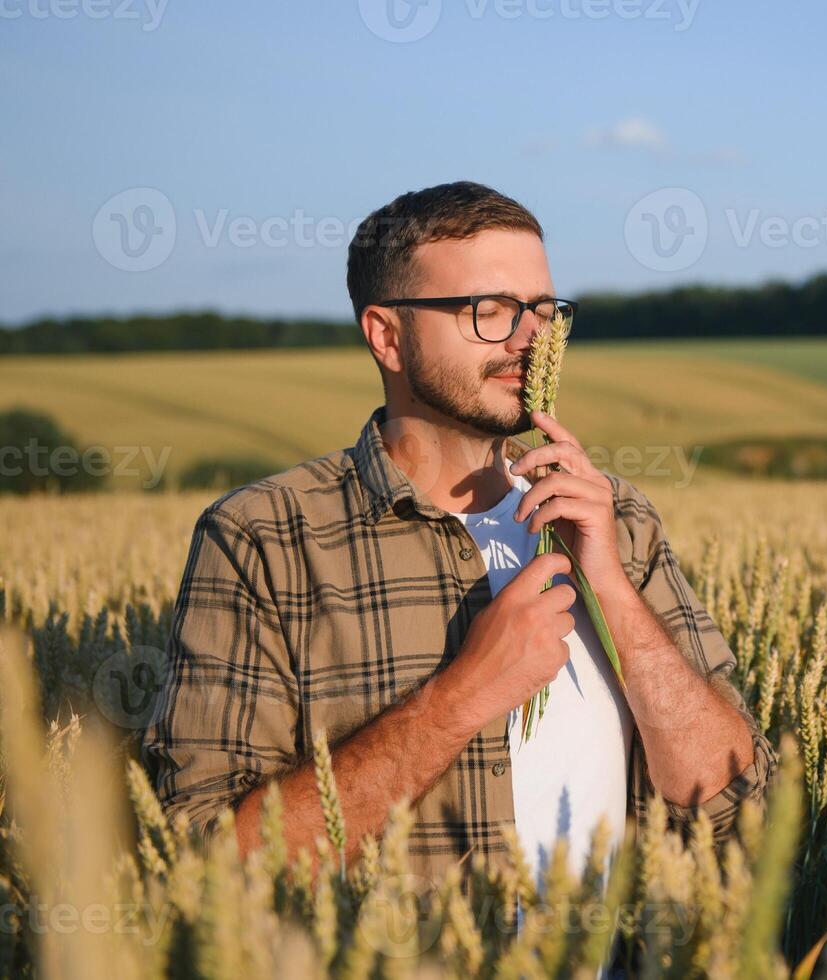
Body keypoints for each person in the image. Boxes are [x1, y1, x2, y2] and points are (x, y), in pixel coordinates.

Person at [143, 181, 773, 883]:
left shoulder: (615, 518)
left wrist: (614, 594)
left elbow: (735, 804)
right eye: (490, 311)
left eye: (543, 310)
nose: (530, 338)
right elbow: (213, 862)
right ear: (387, 335)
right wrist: (465, 694)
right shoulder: (265, 539)